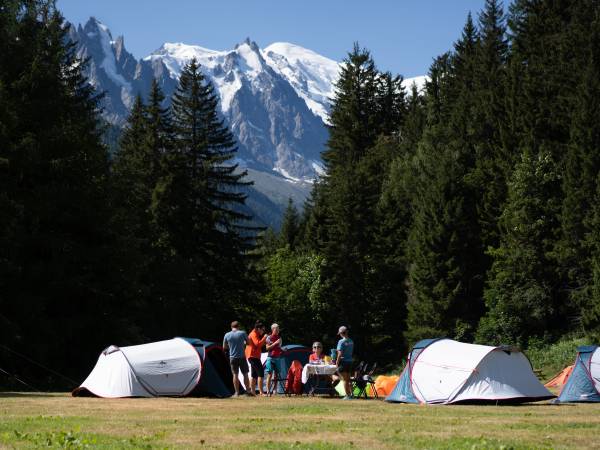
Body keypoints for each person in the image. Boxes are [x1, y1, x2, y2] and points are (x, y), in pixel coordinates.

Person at [223, 321, 254, 397]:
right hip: (242, 357)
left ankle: (236, 393)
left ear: (231, 327)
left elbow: (224, 347)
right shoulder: (242, 333)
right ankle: (247, 391)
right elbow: (249, 343)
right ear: (238, 326)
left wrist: (231, 346)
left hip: (232, 357)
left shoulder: (227, 335)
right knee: (245, 374)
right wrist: (243, 343)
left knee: (235, 374)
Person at [245, 320, 267, 395]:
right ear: (258, 329)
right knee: (260, 372)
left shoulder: (255, 334)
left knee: (254, 374)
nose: (263, 332)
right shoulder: (254, 334)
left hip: (253, 356)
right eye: (263, 330)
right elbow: (257, 344)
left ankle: (253, 392)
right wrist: (264, 338)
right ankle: (261, 392)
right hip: (253, 356)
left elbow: (257, 345)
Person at [335, 325, 354, 400]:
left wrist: (337, 362)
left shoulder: (341, 341)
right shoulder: (351, 341)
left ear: (341, 333)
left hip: (343, 362)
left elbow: (339, 354)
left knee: (344, 379)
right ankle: (352, 394)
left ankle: (348, 395)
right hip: (350, 361)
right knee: (348, 379)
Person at [265, 323, 283, 396]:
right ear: (273, 329)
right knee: (269, 374)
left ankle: (275, 390)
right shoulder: (269, 338)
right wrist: (275, 343)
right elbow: (267, 348)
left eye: (278, 329)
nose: (278, 330)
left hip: (277, 358)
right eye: (276, 329)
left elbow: (279, 348)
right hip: (270, 358)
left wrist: (282, 350)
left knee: (277, 375)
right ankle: (268, 391)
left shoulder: (280, 338)